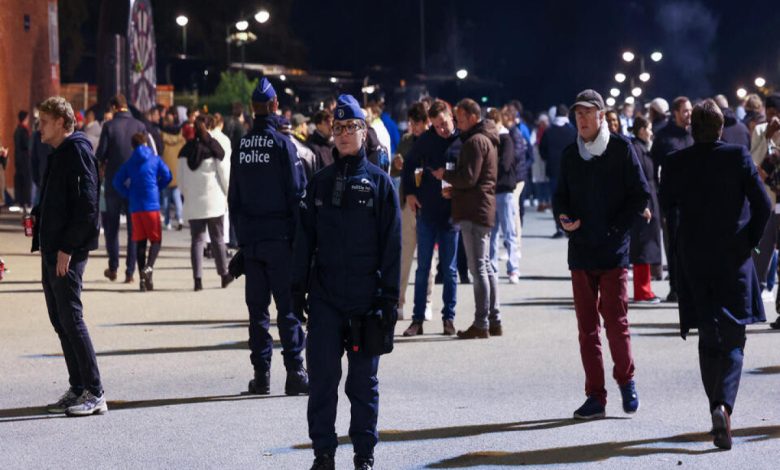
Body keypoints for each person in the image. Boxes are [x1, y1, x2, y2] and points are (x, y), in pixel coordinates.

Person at [293, 94, 400, 470]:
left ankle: (363, 454)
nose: (341, 134)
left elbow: (392, 247)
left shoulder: (381, 185)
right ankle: (323, 452)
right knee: (322, 380)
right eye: (337, 128)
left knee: (362, 386)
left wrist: (388, 300)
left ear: (363, 131)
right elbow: (303, 239)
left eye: (349, 127)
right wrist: (296, 290)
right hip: (324, 299)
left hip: (365, 301)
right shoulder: (319, 183)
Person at [659, 99, 771, 450]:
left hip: (695, 258)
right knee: (734, 337)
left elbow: (666, 207)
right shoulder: (737, 156)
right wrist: (749, 241)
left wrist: (681, 241)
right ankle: (724, 404)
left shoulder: (676, 162)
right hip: (733, 256)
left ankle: (715, 409)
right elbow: (764, 204)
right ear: (721, 128)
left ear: (692, 128)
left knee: (708, 336)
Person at [553, 89, 650, 419]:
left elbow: (640, 196)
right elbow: (560, 196)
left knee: (615, 323)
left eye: (586, 113)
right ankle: (595, 395)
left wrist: (616, 229)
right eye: (576, 114)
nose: (580, 119)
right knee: (587, 329)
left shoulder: (621, 150)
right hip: (581, 252)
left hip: (612, 252)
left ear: (601, 115)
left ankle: (627, 381)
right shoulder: (570, 155)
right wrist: (564, 218)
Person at [228, 78, 309, 396]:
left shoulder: (243, 145)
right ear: (275, 106)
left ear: (253, 108)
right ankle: (295, 373)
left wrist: (241, 241)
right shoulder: (281, 144)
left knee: (257, 312)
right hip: (280, 241)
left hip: (252, 243)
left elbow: (233, 197)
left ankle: (261, 376)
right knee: (288, 310)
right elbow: (297, 192)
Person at [31, 96, 106, 416]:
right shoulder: (60, 152)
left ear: (63, 122)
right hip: (52, 249)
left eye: (44, 122)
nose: (39, 128)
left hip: (66, 252)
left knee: (71, 319)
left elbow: (88, 206)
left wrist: (67, 248)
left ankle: (94, 391)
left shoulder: (77, 150)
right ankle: (78, 387)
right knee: (60, 320)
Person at [432, 98, 500, 339]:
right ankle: (494, 318)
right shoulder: (487, 138)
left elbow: (469, 178)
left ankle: (482, 323)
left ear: (472, 117)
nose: (458, 124)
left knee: (478, 268)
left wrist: (446, 176)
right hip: (480, 205)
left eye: (460, 119)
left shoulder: (474, 142)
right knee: (486, 266)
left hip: (474, 209)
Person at [401, 100, 461, 336]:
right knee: (423, 267)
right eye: (436, 126)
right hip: (426, 212)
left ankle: (449, 318)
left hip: (451, 216)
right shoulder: (426, 139)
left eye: (444, 124)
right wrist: (410, 194)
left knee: (450, 269)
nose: (441, 130)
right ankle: (417, 320)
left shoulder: (462, 141)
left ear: (451, 116)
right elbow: (409, 165)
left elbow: (471, 174)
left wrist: (459, 188)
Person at [96, 94, 147, 283]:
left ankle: (113, 266)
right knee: (134, 230)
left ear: (115, 107)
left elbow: (101, 154)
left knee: (112, 227)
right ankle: (130, 272)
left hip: (113, 183)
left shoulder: (109, 126)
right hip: (134, 184)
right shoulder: (139, 126)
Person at [112, 132, 172, 291]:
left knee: (140, 242)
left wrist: (128, 193)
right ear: (146, 143)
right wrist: (158, 187)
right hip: (151, 205)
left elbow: (116, 181)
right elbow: (167, 175)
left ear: (132, 146)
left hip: (135, 207)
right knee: (156, 240)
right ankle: (149, 267)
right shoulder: (154, 159)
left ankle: (143, 282)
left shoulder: (130, 162)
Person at [179, 115, 233, 291]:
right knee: (217, 238)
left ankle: (197, 280)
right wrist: (227, 193)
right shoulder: (215, 148)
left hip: (194, 201)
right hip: (214, 200)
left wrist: (187, 194)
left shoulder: (185, 150)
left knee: (197, 240)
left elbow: (180, 180)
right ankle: (224, 274)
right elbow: (224, 175)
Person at [651, 96, 693, 302]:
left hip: (694, 202)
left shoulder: (694, 134)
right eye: (685, 111)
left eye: (690, 111)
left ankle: (691, 285)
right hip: (673, 203)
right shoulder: (663, 137)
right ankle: (675, 287)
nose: (689, 115)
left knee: (692, 245)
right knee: (674, 246)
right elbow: (652, 170)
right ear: (675, 113)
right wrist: (660, 198)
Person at [749, 94, 780, 300]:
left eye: (776, 114)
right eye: (768, 114)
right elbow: (754, 165)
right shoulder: (760, 131)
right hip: (766, 205)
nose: (773, 118)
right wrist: (767, 137)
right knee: (760, 253)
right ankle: (753, 297)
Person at [629, 116, 662, 303]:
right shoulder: (636, 148)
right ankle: (642, 291)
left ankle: (646, 289)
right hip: (645, 201)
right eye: (649, 128)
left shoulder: (642, 147)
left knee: (648, 245)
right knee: (643, 246)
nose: (651, 132)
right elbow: (638, 178)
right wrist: (644, 205)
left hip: (650, 198)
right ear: (641, 130)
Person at [487, 107, 520, 284]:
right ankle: (492, 268)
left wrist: (489, 173)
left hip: (504, 190)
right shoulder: (489, 140)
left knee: (508, 232)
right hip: (492, 192)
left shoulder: (506, 139)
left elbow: (505, 164)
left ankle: (513, 268)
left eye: (495, 124)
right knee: (492, 233)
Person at [540, 104, 577, 238]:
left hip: (553, 170)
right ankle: (570, 226)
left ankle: (560, 227)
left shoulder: (549, 131)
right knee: (570, 199)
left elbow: (542, 150)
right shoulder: (572, 130)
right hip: (571, 170)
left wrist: (549, 159)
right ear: (567, 115)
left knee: (557, 200)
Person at [160, 111, 185, 230]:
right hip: (177, 171)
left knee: (165, 199)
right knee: (177, 197)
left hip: (165, 172)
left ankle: (167, 222)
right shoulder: (181, 140)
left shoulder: (162, 138)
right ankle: (180, 218)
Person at [14, 111, 33, 210]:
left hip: (18, 159)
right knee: (26, 181)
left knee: (21, 180)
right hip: (24, 159)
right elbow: (26, 145)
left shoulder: (17, 130)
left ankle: (21, 202)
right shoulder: (23, 130)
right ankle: (26, 202)